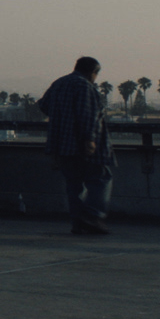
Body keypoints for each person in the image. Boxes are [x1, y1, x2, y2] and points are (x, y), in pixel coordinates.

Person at [39, 56, 113, 235]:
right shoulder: (85, 86)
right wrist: (90, 140)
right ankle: (92, 216)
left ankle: (77, 222)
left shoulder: (59, 83)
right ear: (92, 72)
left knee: (74, 184)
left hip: (62, 144)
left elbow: (43, 105)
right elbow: (89, 115)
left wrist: (61, 117)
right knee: (100, 178)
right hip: (82, 144)